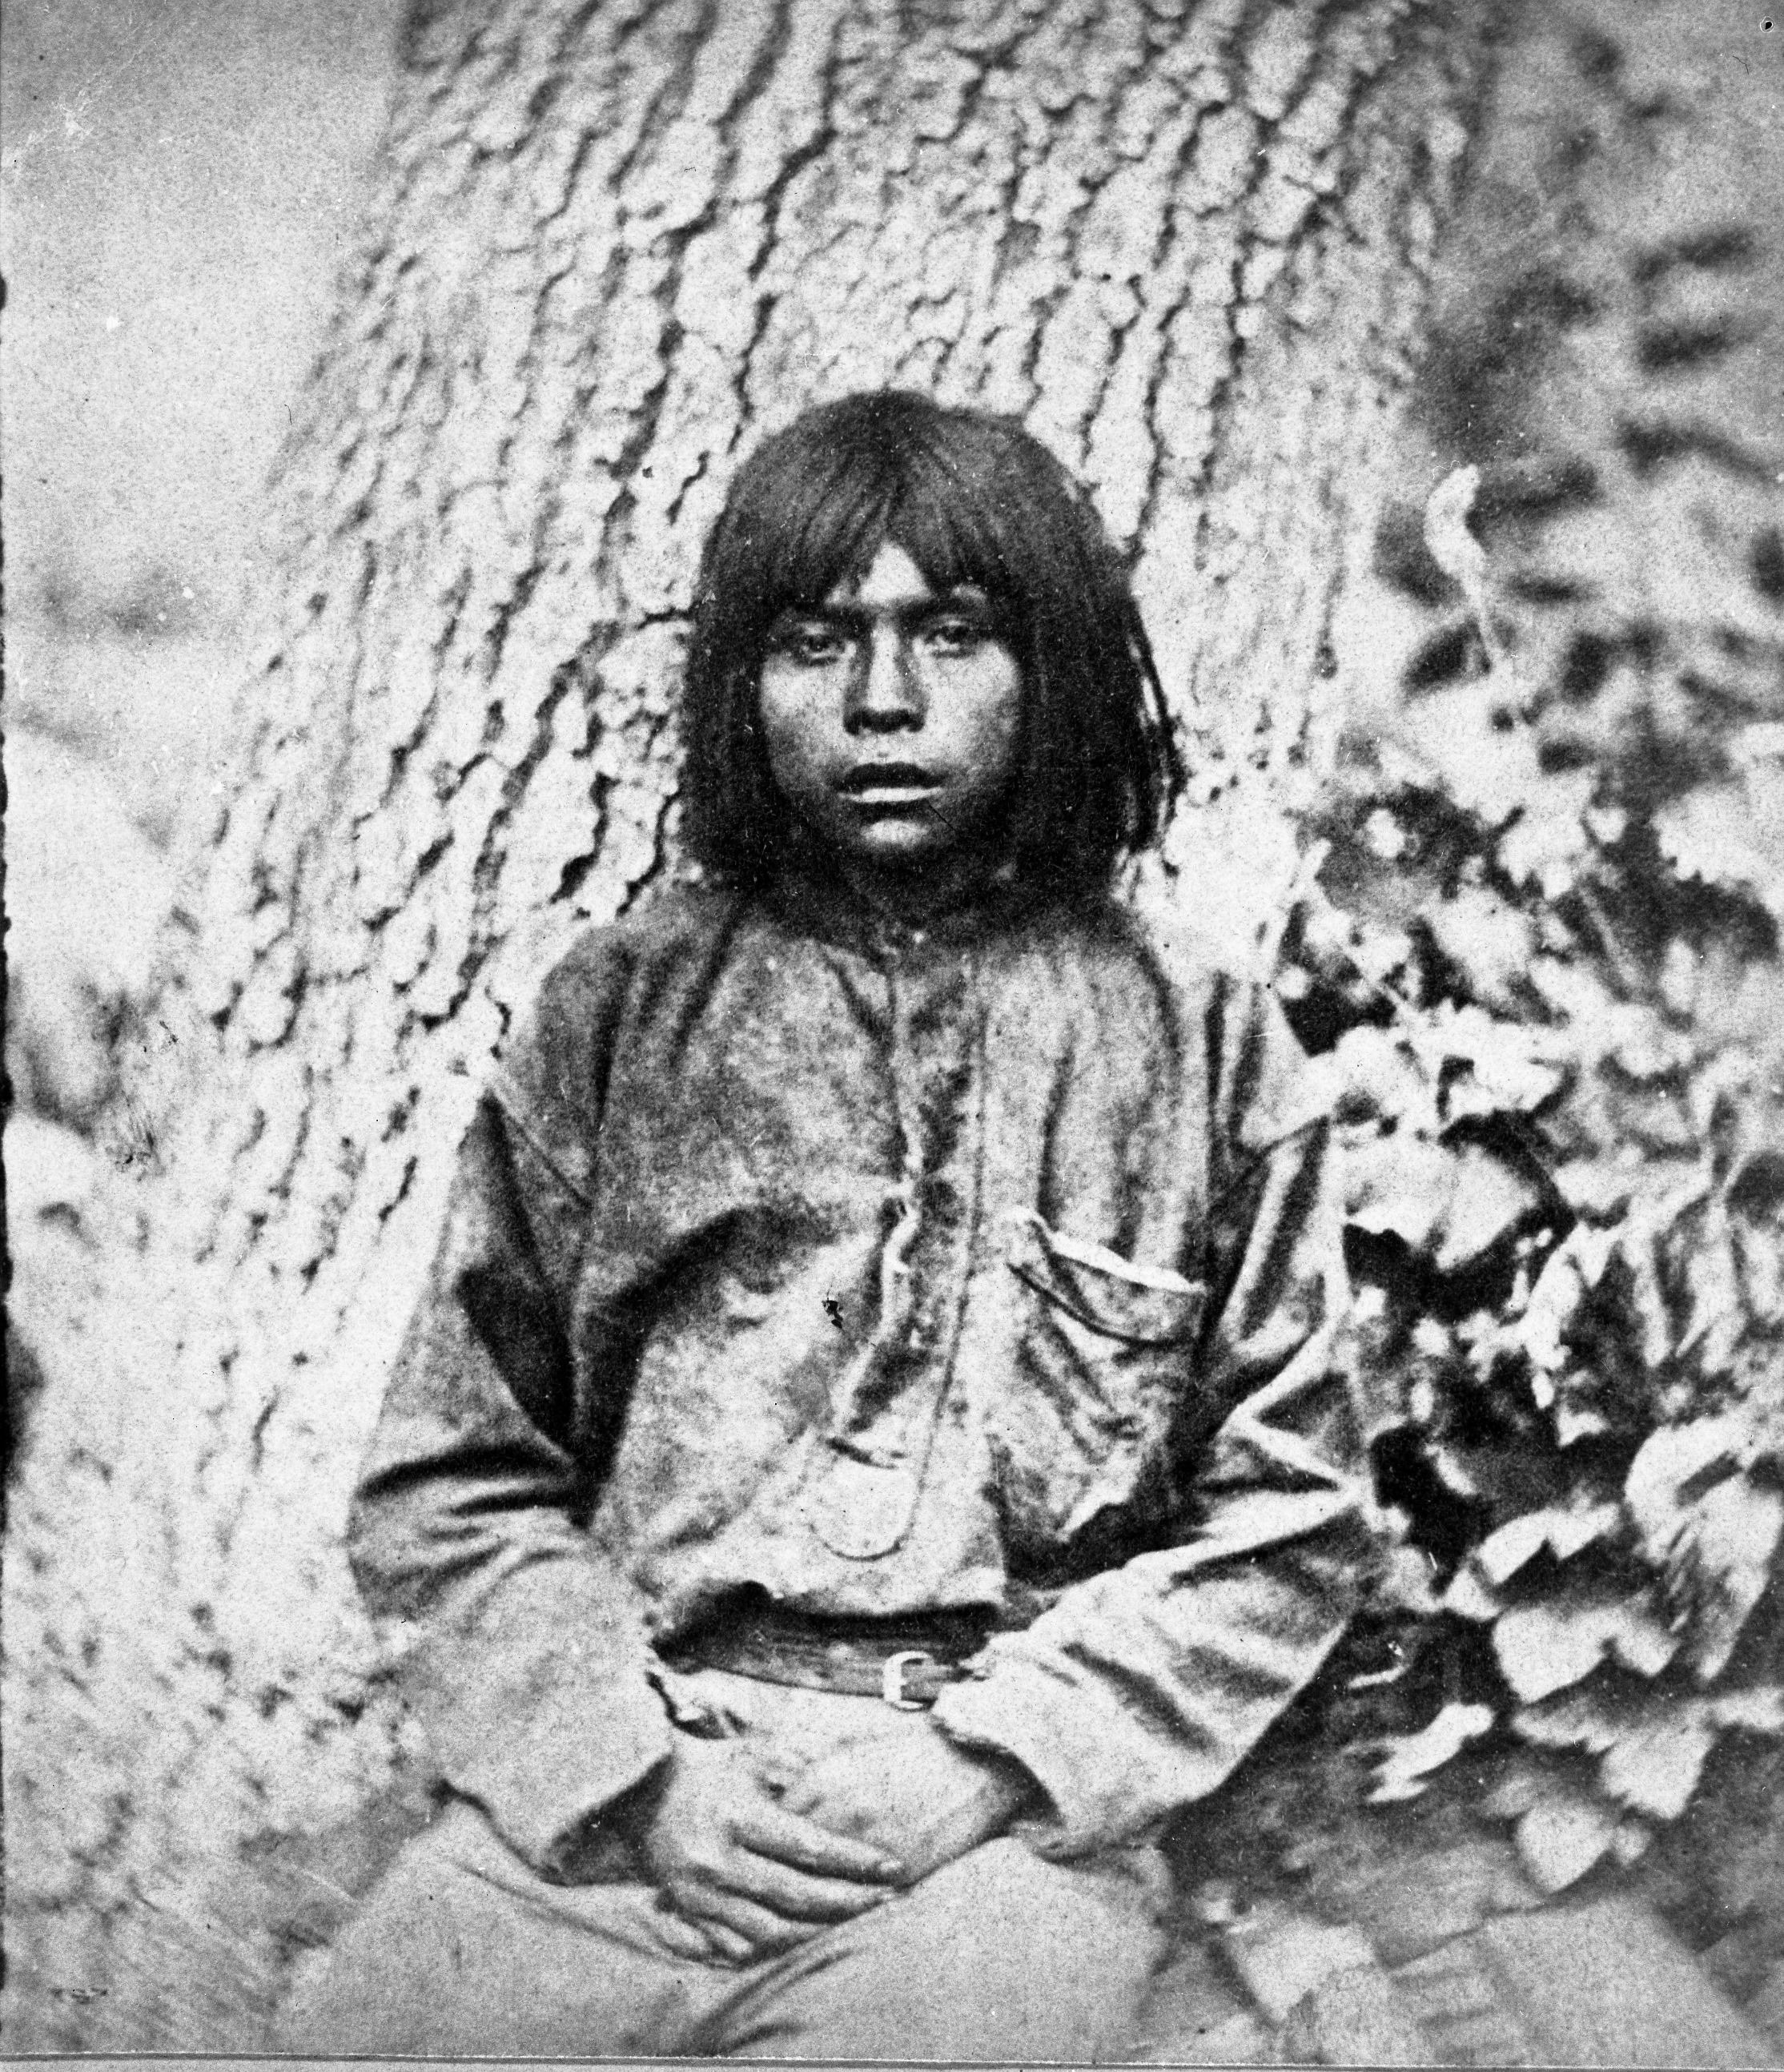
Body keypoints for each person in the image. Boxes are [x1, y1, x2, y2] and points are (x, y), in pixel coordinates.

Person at [281, 390, 1373, 2058]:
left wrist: (991, 1763)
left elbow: (1290, 1514)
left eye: (950, 635)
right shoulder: (623, 1016)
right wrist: (637, 1780)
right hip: (622, 1797)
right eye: (816, 641)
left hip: (985, 1844)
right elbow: (450, 1474)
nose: (882, 701)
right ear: (744, 685)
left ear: (1054, 669)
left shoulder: (1201, 1043)